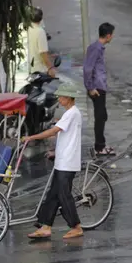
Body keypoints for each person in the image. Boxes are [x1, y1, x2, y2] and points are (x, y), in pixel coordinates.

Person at [21, 81, 84, 239]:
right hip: (63, 160)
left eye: (61, 97)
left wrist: (31, 137)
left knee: (63, 195)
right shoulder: (69, 113)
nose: (59, 99)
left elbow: (53, 132)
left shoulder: (72, 113)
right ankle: (45, 226)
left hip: (68, 162)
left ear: (68, 98)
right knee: (53, 195)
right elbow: (66, 137)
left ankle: (76, 226)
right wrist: (54, 152)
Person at [83, 22, 115, 156]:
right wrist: (90, 87)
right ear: (108, 36)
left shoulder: (98, 48)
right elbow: (87, 68)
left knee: (102, 116)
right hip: (97, 88)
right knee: (100, 117)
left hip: (100, 86)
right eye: (112, 35)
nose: (112, 37)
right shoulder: (96, 49)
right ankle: (99, 147)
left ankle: (101, 144)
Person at [27, 7, 56, 77]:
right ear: (41, 18)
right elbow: (43, 53)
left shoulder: (29, 29)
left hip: (32, 68)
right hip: (40, 70)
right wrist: (50, 68)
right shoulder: (40, 31)